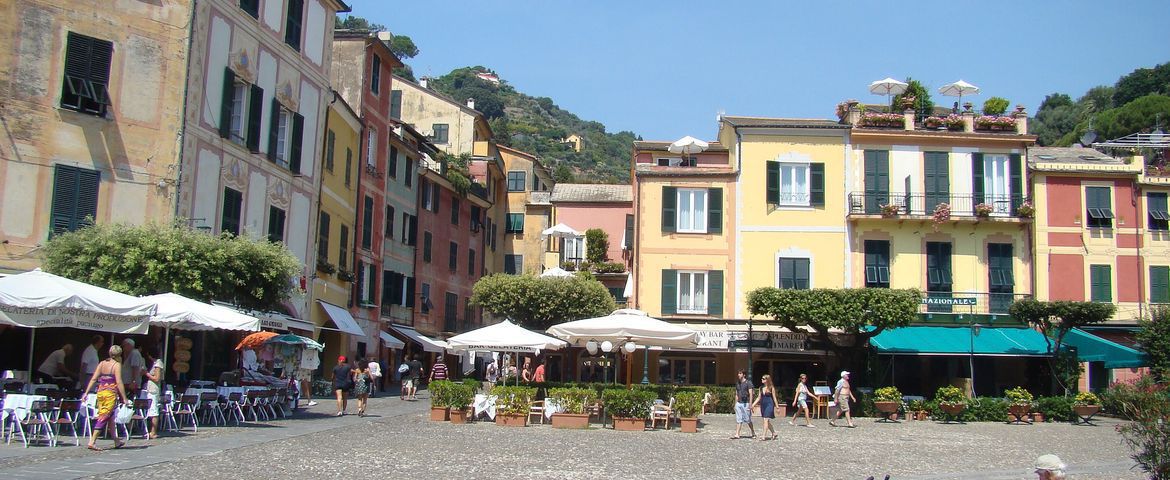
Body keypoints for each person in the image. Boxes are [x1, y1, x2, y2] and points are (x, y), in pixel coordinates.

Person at [82, 344, 128, 451]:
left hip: (101, 393)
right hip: (110, 394)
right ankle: (92, 441)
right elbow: (119, 381)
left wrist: (86, 392)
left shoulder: (102, 363)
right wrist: (124, 397)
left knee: (110, 416)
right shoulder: (116, 365)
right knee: (104, 416)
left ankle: (116, 440)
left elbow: (94, 379)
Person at [142, 347, 164, 439]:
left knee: (154, 410)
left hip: (154, 390)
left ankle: (153, 432)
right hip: (151, 389)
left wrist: (146, 373)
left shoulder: (158, 364)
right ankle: (150, 430)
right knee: (151, 409)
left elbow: (157, 378)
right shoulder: (155, 363)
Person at [731, 369, 755, 439]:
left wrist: (750, 404)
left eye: (740, 373)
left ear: (744, 375)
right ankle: (737, 434)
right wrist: (735, 404)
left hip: (746, 403)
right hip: (739, 403)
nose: (739, 375)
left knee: (748, 420)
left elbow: (751, 394)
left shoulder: (748, 383)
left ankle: (753, 432)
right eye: (738, 373)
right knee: (739, 419)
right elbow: (736, 394)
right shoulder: (737, 383)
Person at [752, 374, 777, 441]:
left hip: (769, 404)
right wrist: (753, 405)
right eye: (762, 378)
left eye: (763, 379)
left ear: (767, 380)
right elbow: (759, 397)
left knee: (765, 420)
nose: (762, 380)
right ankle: (774, 433)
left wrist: (777, 407)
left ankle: (764, 436)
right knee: (766, 421)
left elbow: (774, 398)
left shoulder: (771, 387)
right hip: (763, 405)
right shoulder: (761, 388)